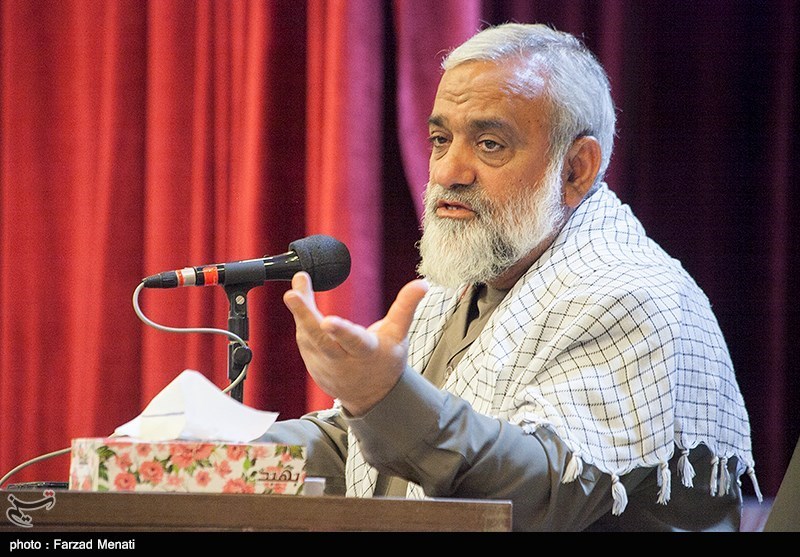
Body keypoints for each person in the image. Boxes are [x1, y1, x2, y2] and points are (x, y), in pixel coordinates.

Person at [257, 22, 761, 531]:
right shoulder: (468, 279)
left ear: (576, 169)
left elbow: (541, 494)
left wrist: (385, 399)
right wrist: (221, 451)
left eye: (490, 144)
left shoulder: (631, 293)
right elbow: (362, 452)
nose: (448, 171)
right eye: (440, 139)